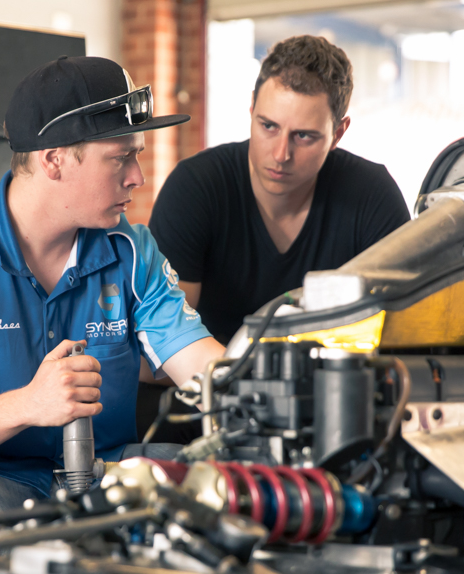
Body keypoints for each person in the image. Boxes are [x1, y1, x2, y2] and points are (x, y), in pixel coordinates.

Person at [0, 56, 224, 529]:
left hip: (102, 472)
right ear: (54, 160)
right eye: (120, 158)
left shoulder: (133, 251)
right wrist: (29, 404)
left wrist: (267, 381)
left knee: (228, 483)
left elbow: (204, 368)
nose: (137, 177)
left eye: (137, 156)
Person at [148, 35, 411, 347]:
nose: (281, 154)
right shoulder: (195, 188)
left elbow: (403, 333)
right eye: (268, 126)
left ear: (338, 133)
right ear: (251, 109)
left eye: (304, 136)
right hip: (208, 376)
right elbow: (164, 340)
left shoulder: (372, 197)